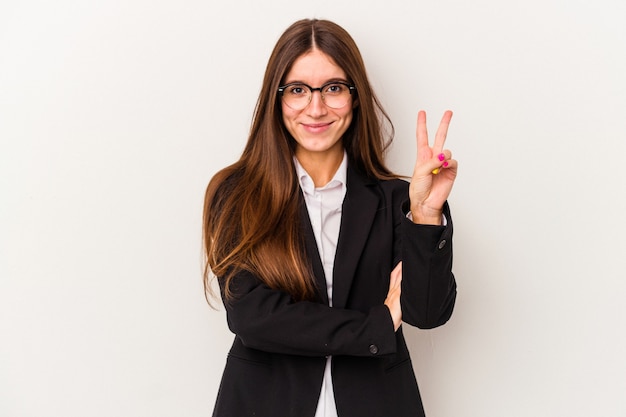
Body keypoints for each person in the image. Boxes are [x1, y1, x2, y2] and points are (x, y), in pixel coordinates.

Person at [202, 18, 458, 417]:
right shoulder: (237, 194)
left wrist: (425, 215)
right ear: (277, 97)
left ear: (355, 97)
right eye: (298, 90)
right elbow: (253, 318)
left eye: (333, 88)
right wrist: (377, 324)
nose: (316, 107)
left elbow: (426, 314)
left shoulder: (395, 200)